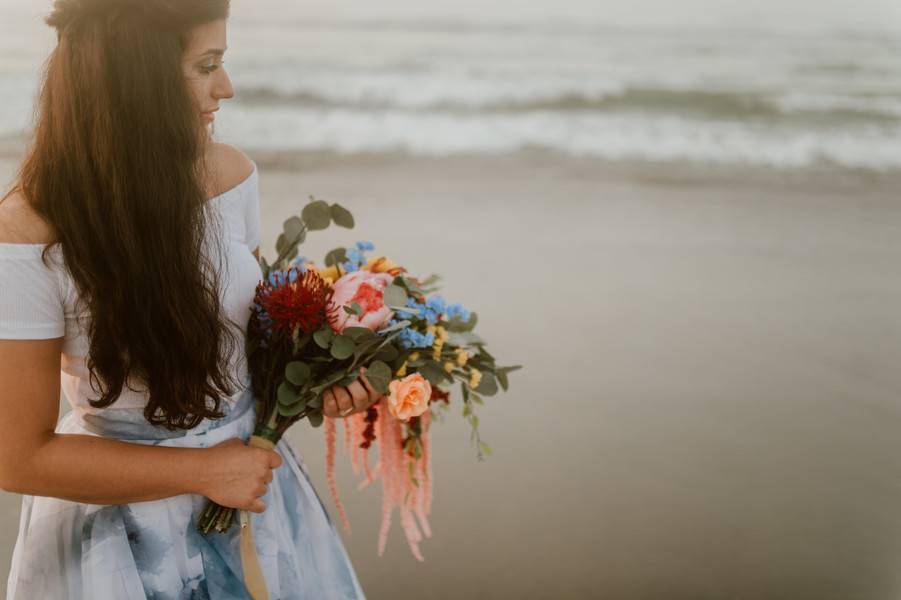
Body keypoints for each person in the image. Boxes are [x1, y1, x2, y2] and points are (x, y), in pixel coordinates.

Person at [0, 0, 375, 597]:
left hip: (256, 487)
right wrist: (202, 471)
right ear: (136, 75)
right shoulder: (26, 235)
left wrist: (319, 380)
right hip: (123, 529)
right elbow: (19, 457)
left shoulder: (229, 177)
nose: (225, 87)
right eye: (206, 65)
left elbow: (250, 339)